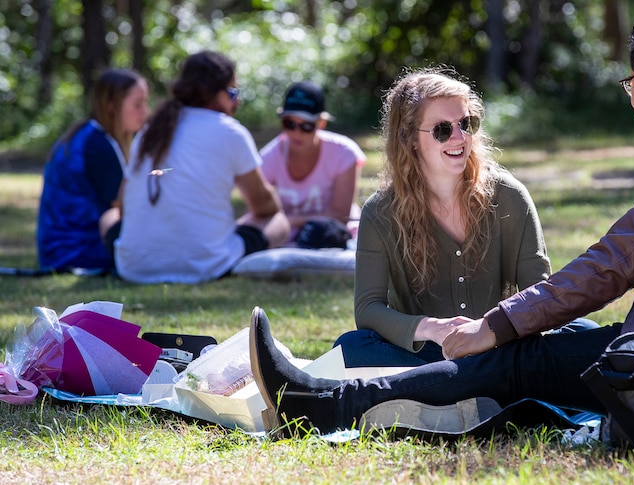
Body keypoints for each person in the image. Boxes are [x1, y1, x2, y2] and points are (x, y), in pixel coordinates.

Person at [248, 4, 634, 436]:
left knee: (520, 356)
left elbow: (613, 263)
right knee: (527, 353)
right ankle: (327, 398)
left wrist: (494, 326)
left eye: (632, 83)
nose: (632, 96)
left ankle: (320, 404)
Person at [334, 67, 590, 368]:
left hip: (505, 350)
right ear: (410, 138)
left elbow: (539, 293)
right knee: (351, 346)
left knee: (584, 334)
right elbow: (368, 309)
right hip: (425, 358)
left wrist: (491, 332)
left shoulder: (509, 195)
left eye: (466, 124)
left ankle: (455, 396)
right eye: (442, 130)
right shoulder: (380, 212)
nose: (459, 138)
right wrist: (431, 328)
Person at [107, 51, 289, 284]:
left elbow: (121, 207)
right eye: (233, 93)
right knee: (279, 222)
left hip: (134, 269)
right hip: (205, 267)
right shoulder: (230, 132)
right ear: (214, 93)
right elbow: (265, 206)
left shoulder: (150, 130)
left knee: (108, 219)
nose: (237, 102)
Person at [36, 68, 149, 273]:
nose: (145, 112)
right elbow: (124, 206)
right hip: (75, 251)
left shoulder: (87, 134)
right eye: (137, 104)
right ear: (111, 106)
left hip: (58, 250)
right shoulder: (97, 144)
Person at [259, 81, 366, 246]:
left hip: (337, 234)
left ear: (321, 123)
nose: (296, 132)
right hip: (288, 236)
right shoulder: (269, 156)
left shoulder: (344, 153)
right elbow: (258, 212)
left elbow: (339, 216)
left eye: (306, 126)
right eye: (289, 123)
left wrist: (290, 220)